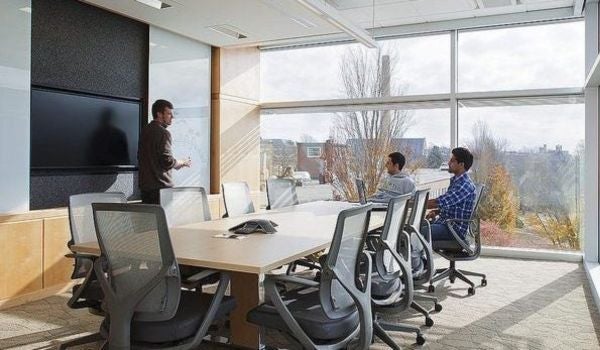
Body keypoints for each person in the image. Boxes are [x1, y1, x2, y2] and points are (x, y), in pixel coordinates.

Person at [138, 99, 191, 204]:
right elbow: (167, 161)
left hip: (146, 189)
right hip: (161, 189)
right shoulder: (163, 133)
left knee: (149, 220)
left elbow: (141, 157)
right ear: (159, 114)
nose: (172, 117)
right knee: (164, 220)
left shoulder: (145, 131)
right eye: (169, 114)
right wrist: (182, 162)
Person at [425, 147, 476, 246]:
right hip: (446, 224)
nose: (448, 163)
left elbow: (439, 202)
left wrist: (414, 205)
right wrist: (437, 212)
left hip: (454, 231)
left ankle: (421, 261)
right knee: (412, 228)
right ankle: (421, 260)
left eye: (452, 160)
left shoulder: (464, 185)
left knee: (416, 232)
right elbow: (453, 206)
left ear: (461, 164)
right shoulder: (457, 181)